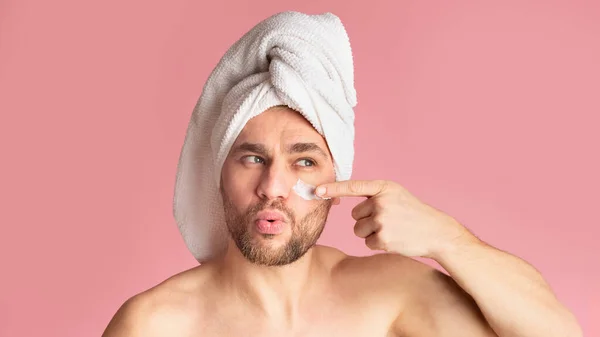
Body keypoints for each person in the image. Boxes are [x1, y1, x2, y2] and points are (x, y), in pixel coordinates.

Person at [101, 12, 582, 337]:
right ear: (219, 173)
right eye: (251, 158)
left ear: (336, 182)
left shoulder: (390, 297)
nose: (273, 188)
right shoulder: (157, 324)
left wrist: (447, 240)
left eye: (304, 161)